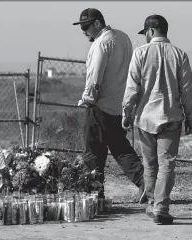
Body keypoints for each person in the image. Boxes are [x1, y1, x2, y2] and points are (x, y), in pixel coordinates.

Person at [122, 14, 192, 225]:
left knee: (150, 164)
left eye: (145, 33)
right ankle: (161, 207)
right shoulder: (180, 55)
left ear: (151, 32)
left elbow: (132, 88)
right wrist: (190, 116)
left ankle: (154, 204)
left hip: (144, 118)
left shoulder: (140, 53)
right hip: (170, 117)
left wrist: (126, 113)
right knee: (167, 164)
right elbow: (187, 91)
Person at [72, 8, 147, 203]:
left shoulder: (100, 44)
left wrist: (88, 99)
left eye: (86, 27)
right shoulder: (123, 38)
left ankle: (95, 192)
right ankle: (144, 182)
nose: (84, 31)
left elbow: (95, 77)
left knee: (93, 152)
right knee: (120, 147)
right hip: (118, 104)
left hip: (99, 105)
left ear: (97, 24)